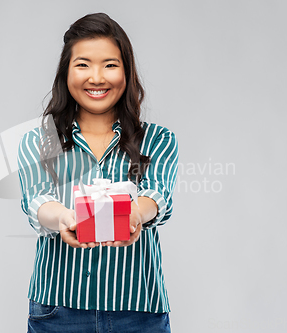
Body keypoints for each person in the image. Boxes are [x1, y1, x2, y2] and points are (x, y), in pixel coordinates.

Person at [17, 12, 178, 333]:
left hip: (137, 309)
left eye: (110, 64)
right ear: (66, 73)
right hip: (59, 309)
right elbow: (37, 200)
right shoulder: (39, 140)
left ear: (126, 72)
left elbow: (157, 195)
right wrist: (63, 218)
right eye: (83, 64)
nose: (96, 77)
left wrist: (134, 213)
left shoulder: (159, 139)